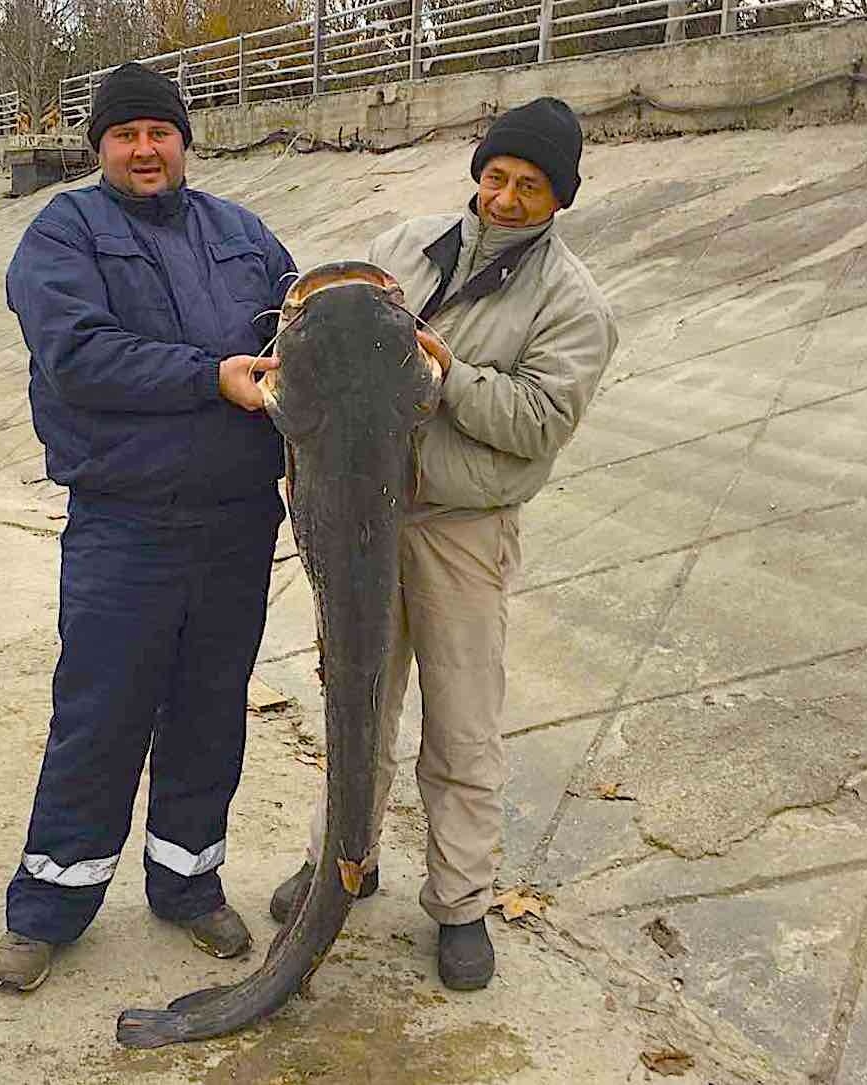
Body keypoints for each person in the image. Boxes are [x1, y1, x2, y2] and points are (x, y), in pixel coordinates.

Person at [269, 97, 618, 992]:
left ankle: (460, 901)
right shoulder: (400, 250)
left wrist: (448, 375)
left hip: (463, 530)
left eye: (530, 186)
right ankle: (345, 856)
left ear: (559, 198)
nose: (505, 197)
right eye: (496, 176)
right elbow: (313, 341)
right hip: (359, 516)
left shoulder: (573, 303)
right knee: (355, 697)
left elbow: (540, 420)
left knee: (461, 725)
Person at [0, 62, 296, 993]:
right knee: (101, 714)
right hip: (125, 526)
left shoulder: (243, 235)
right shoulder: (63, 233)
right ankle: (49, 906)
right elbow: (80, 357)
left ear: (184, 139)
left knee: (211, 711)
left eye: (159, 132)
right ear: (100, 149)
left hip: (238, 524)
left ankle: (189, 882)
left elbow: (296, 328)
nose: (144, 149)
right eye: (124, 135)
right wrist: (212, 377)